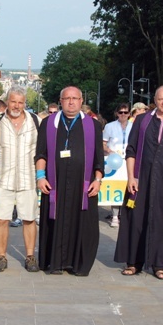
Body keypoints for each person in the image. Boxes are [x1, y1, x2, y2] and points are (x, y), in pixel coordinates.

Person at [114, 85, 163, 280]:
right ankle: (133, 262)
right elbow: (131, 150)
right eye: (160, 99)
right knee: (137, 217)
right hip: (142, 178)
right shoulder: (142, 120)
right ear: (155, 100)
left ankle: (161, 264)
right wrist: (131, 176)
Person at [35, 86, 104, 276]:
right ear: (60, 101)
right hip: (54, 185)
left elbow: (99, 158)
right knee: (54, 220)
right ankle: (54, 263)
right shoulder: (48, 123)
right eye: (67, 98)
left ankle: (77, 264)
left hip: (84, 186)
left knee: (83, 223)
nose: (71, 102)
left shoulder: (93, 125)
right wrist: (40, 176)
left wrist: (98, 180)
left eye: (75, 98)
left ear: (81, 101)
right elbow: (41, 153)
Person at [0, 87, 40, 272]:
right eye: (13, 101)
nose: (16, 105)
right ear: (7, 102)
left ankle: (30, 256)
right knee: (1, 219)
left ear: (25, 103)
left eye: (20, 102)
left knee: (29, 218)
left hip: (28, 178)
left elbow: (43, 149)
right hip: (3, 178)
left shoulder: (35, 121)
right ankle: (1, 256)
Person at [103, 103, 133, 228]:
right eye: (121, 112)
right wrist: (110, 151)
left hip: (129, 160)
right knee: (116, 186)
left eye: (125, 112)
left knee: (129, 186)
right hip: (114, 160)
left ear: (129, 114)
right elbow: (103, 143)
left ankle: (126, 214)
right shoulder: (109, 126)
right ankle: (115, 215)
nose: (123, 115)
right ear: (117, 113)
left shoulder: (134, 126)